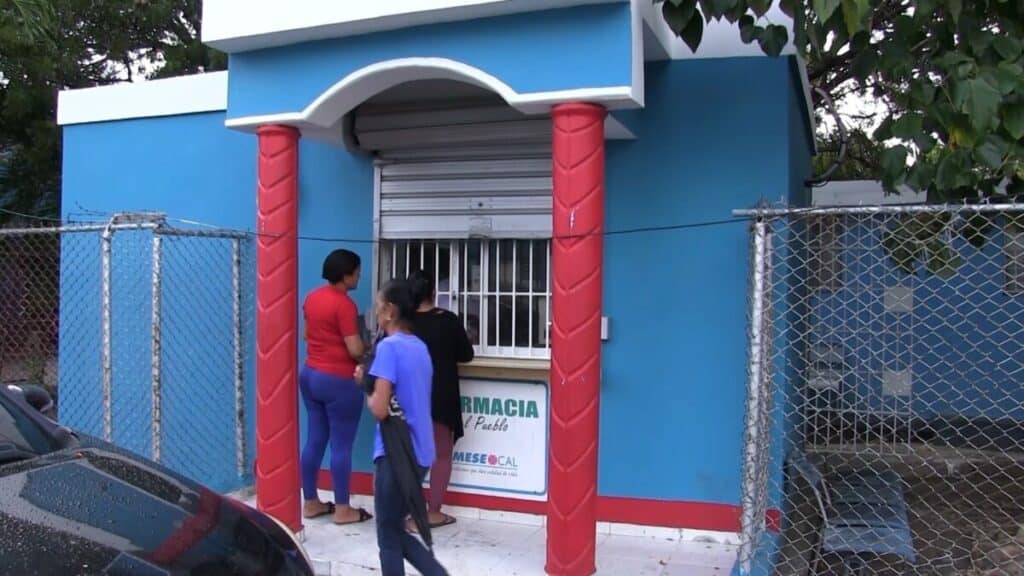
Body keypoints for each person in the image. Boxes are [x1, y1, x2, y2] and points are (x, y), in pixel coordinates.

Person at [360, 279, 449, 576]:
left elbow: (379, 408)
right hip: (420, 451)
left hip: (395, 453)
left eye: (378, 306)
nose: (375, 312)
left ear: (390, 311)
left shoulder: (389, 348)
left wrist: (364, 384)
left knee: (388, 536)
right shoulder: (419, 347)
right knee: (394, 529)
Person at [299, 249, 372, 525]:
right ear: (346, 275)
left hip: (310, 375)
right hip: (338, 380)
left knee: (314, 439)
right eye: (357, 272)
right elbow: (355, 349)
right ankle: (343, 509)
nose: (359, 276)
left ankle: (310, 502)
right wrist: (369, 346)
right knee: (341, 445)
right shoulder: (344, 305)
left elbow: (306, 335)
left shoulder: (312, 297)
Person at [408, 270, 474, 528]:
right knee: (441, 454)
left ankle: (408, 512)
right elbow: (466, 354)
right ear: (433, 293)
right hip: (439, 397)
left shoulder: (402, 322)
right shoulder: (447, 320)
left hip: (407, 398)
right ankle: (432, 512)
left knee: (409, 457)